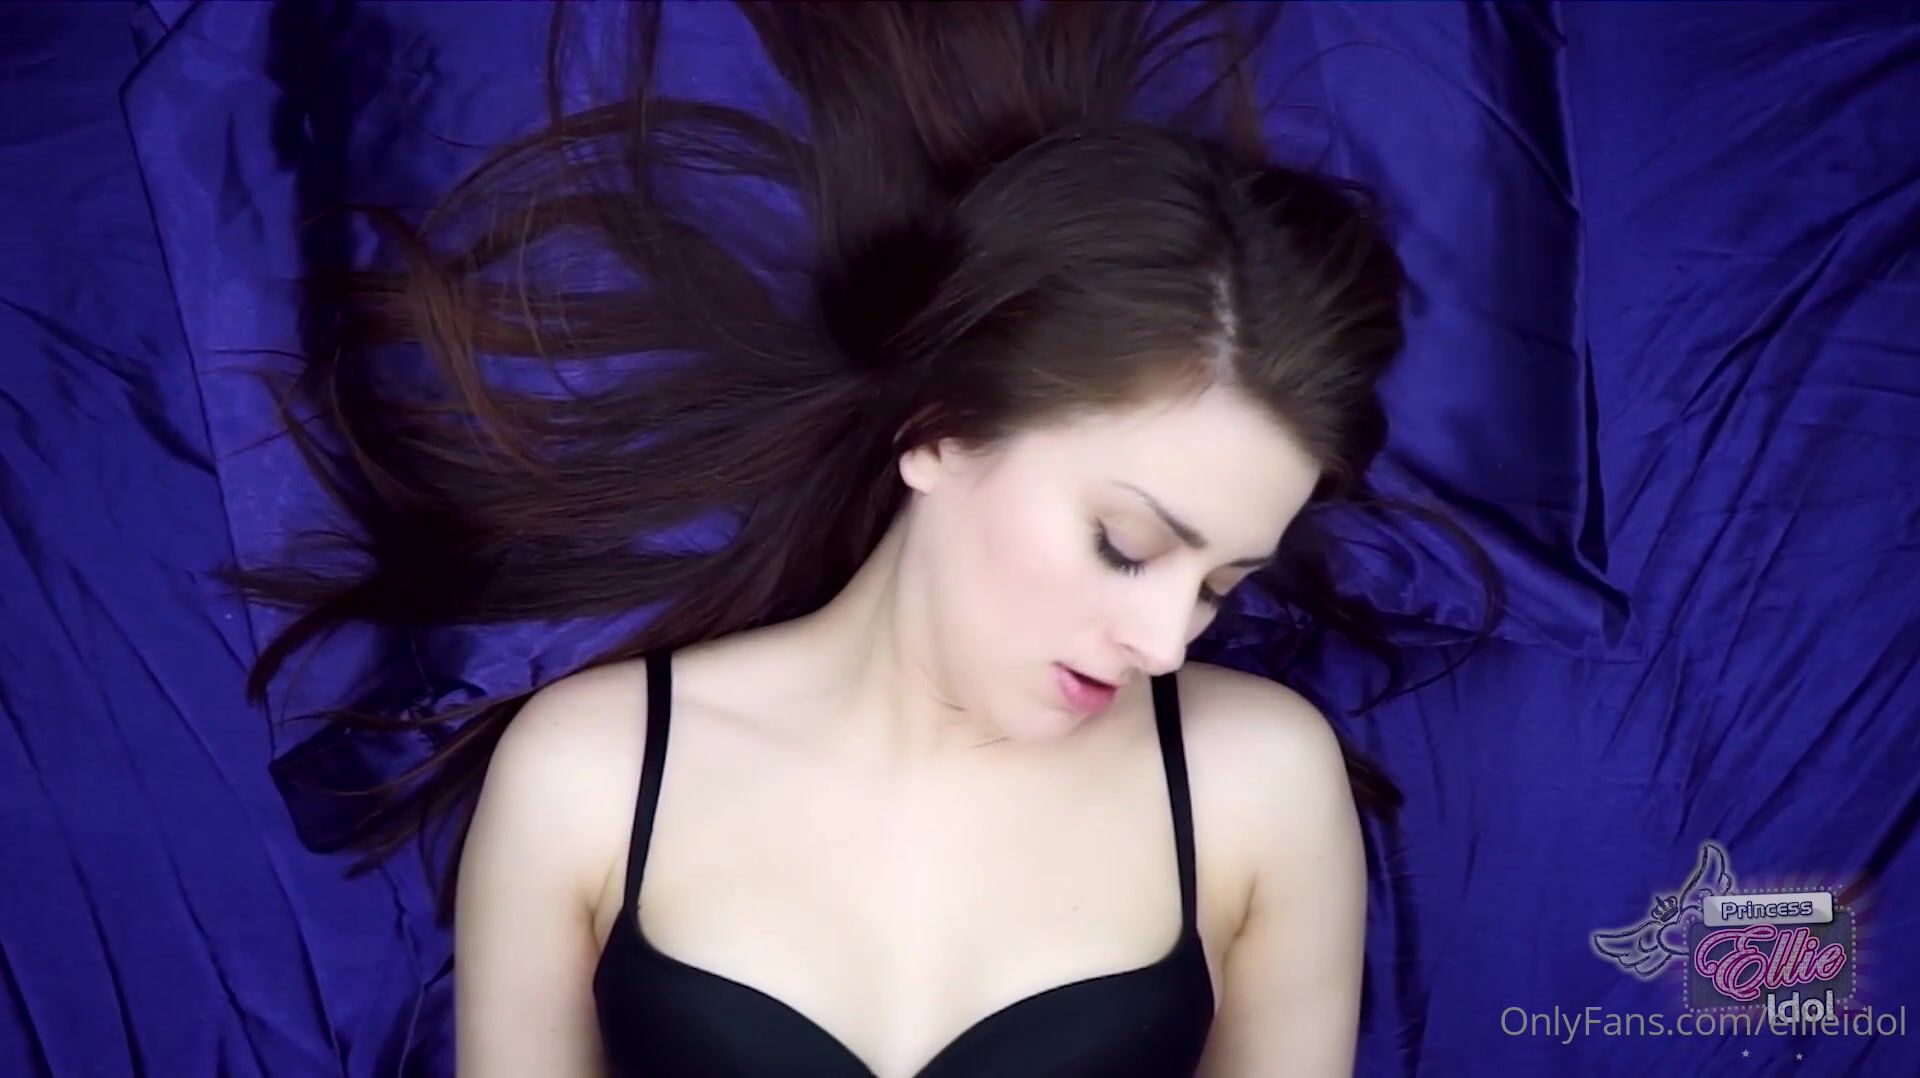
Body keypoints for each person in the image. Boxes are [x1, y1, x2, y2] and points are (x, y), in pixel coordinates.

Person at [229, 2, 1496, 1075]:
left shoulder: (1256, 784)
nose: (1165, 641)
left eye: (1222, 584)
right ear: (939, 432)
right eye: (1125, 543)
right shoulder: (592, 775)